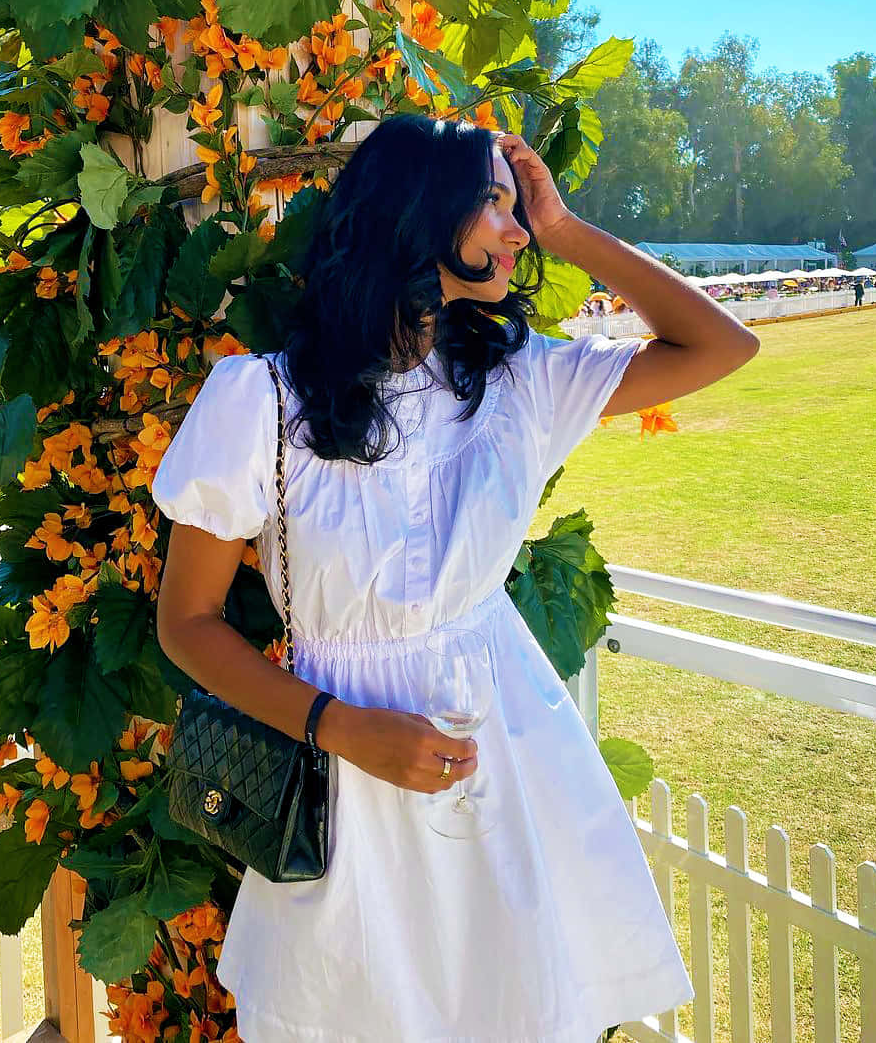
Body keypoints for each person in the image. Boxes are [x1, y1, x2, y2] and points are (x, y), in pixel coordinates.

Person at [152, 116, 759, 1041]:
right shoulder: (261, 402)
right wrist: (340, 726)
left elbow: (719, 347)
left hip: (505, 760)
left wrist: (565, 228)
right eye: (496, 202)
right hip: (344, 776)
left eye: (522, 213)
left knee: (514, 1004)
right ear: (415, 210)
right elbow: (186, 622)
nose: (518, 231)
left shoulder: (518, 383)